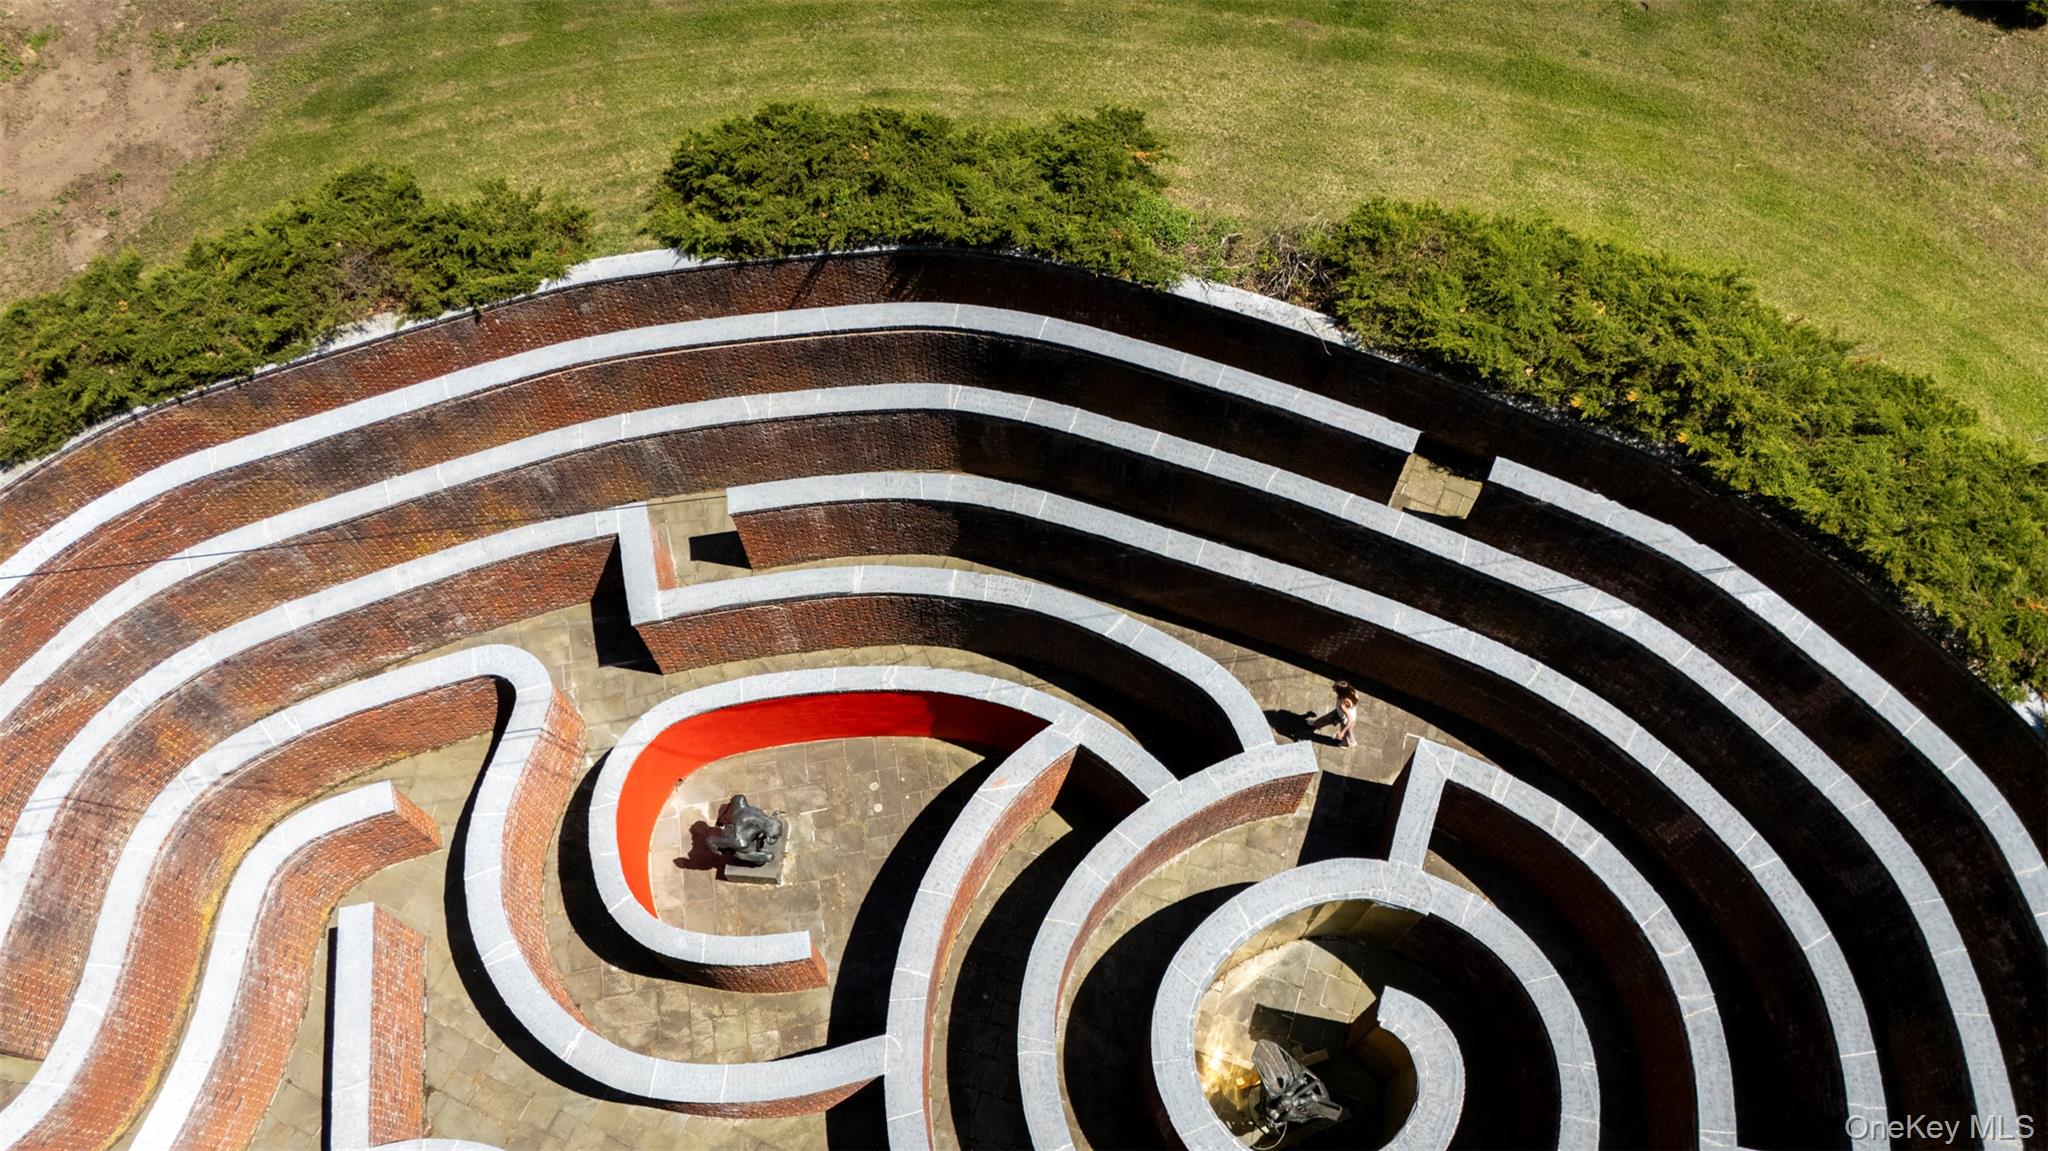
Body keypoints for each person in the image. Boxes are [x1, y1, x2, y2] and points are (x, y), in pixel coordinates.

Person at [1311, 680, 1359, 748]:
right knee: (1327, 718)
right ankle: (1317, 724)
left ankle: (1349, 743)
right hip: (1341, 713)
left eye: (1335, 689)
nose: (1333, 688)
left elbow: (1350, 720)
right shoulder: (1353, 692)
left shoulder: (1343, 704)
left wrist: (1342, 732)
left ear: (1341, 692)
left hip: (1346, 720)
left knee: (1347, 733)